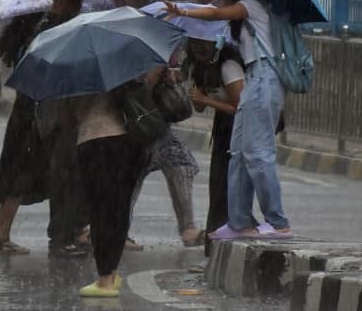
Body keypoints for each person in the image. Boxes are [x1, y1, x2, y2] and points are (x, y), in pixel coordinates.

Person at [164, 0, 292, 238]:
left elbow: (217, 13)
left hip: (265, 77)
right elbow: (217, 11)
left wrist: (182, 10)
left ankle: (278, 221)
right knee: (237, 154)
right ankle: (239, 220)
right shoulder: (239, 12)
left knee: (258, 154)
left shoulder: (252, 6)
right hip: (255, 78)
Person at [63, 70, 158, 297]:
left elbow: (67, 121)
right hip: (130, 141)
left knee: (100, 212)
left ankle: (105, 279)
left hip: (94, 142)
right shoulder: (124, 64)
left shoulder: (72, 73)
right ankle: (111, 272)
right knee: (119, 208)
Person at [35, 0, 93, 258]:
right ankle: (60, 237)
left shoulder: (76, 26)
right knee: (62, 178)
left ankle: (72, 231)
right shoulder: (48, 29)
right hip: (56, 113)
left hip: (73, 111)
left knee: (76, 177)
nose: (76, 4)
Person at [124, 65, 204, 250]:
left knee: (180, 163)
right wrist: (154, 74)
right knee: (132, 174)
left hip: (155, 125)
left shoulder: (161, 49)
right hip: (133, 123)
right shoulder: (131, 55)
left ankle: (188, 227)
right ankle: (118, 232)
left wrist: (171, 76)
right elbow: (137, 88)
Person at [0, 12, 49, 255]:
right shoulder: (35, 44)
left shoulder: (22, 41)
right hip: (32, 116)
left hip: (21, 115)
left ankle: (2, 235)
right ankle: (1, 237)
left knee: (14, 175)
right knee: (19, 177)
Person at [182, 38, 246, 255]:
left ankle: (233, 235)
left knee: (228, 188)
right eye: (194, 41)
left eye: (205, 42)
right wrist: (194, 93)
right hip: (223, 129)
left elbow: (241, 107)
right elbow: (199, 107)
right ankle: (216, 244)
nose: (199, 46)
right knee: (218, 187)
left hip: (242, 129)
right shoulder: (199, 66)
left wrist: (206, 100)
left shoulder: (228, 66)